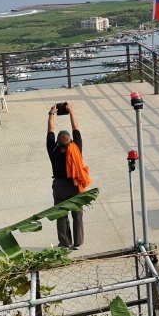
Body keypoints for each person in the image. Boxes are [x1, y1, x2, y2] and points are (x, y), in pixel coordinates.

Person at [46, 102, 91, 249]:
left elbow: (50, 129)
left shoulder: (53, 149)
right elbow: (75, 127)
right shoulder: (76, 148)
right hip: (74, 184)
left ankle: (65, 242)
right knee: (77, 214)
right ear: (70, 141)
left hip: (59, 186)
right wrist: (71, 110)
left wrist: (52, 113)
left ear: (58, 143)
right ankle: (77, 242)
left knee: (61, 215)